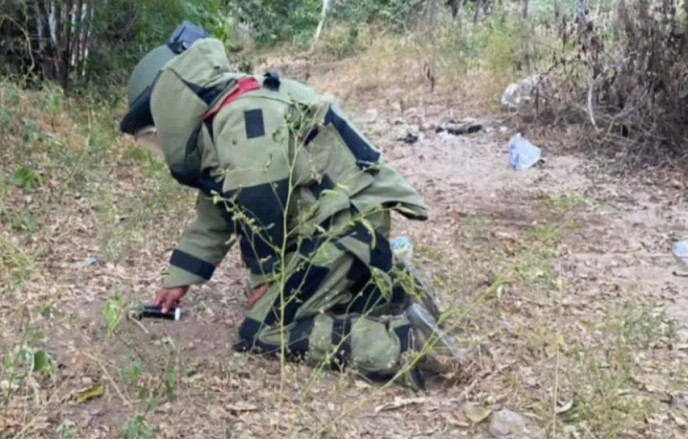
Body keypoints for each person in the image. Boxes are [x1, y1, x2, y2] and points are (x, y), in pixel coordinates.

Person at [119, 22, 454, 390]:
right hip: (353, 224)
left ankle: (406, 345)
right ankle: (393, 293)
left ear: (170, 103)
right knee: (308, 303)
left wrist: (267, 278)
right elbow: (216, 214)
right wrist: (178, 281)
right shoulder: (242, 102)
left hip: (342, 231)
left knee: (263, 329)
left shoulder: (239, 117)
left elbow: (261, 200)